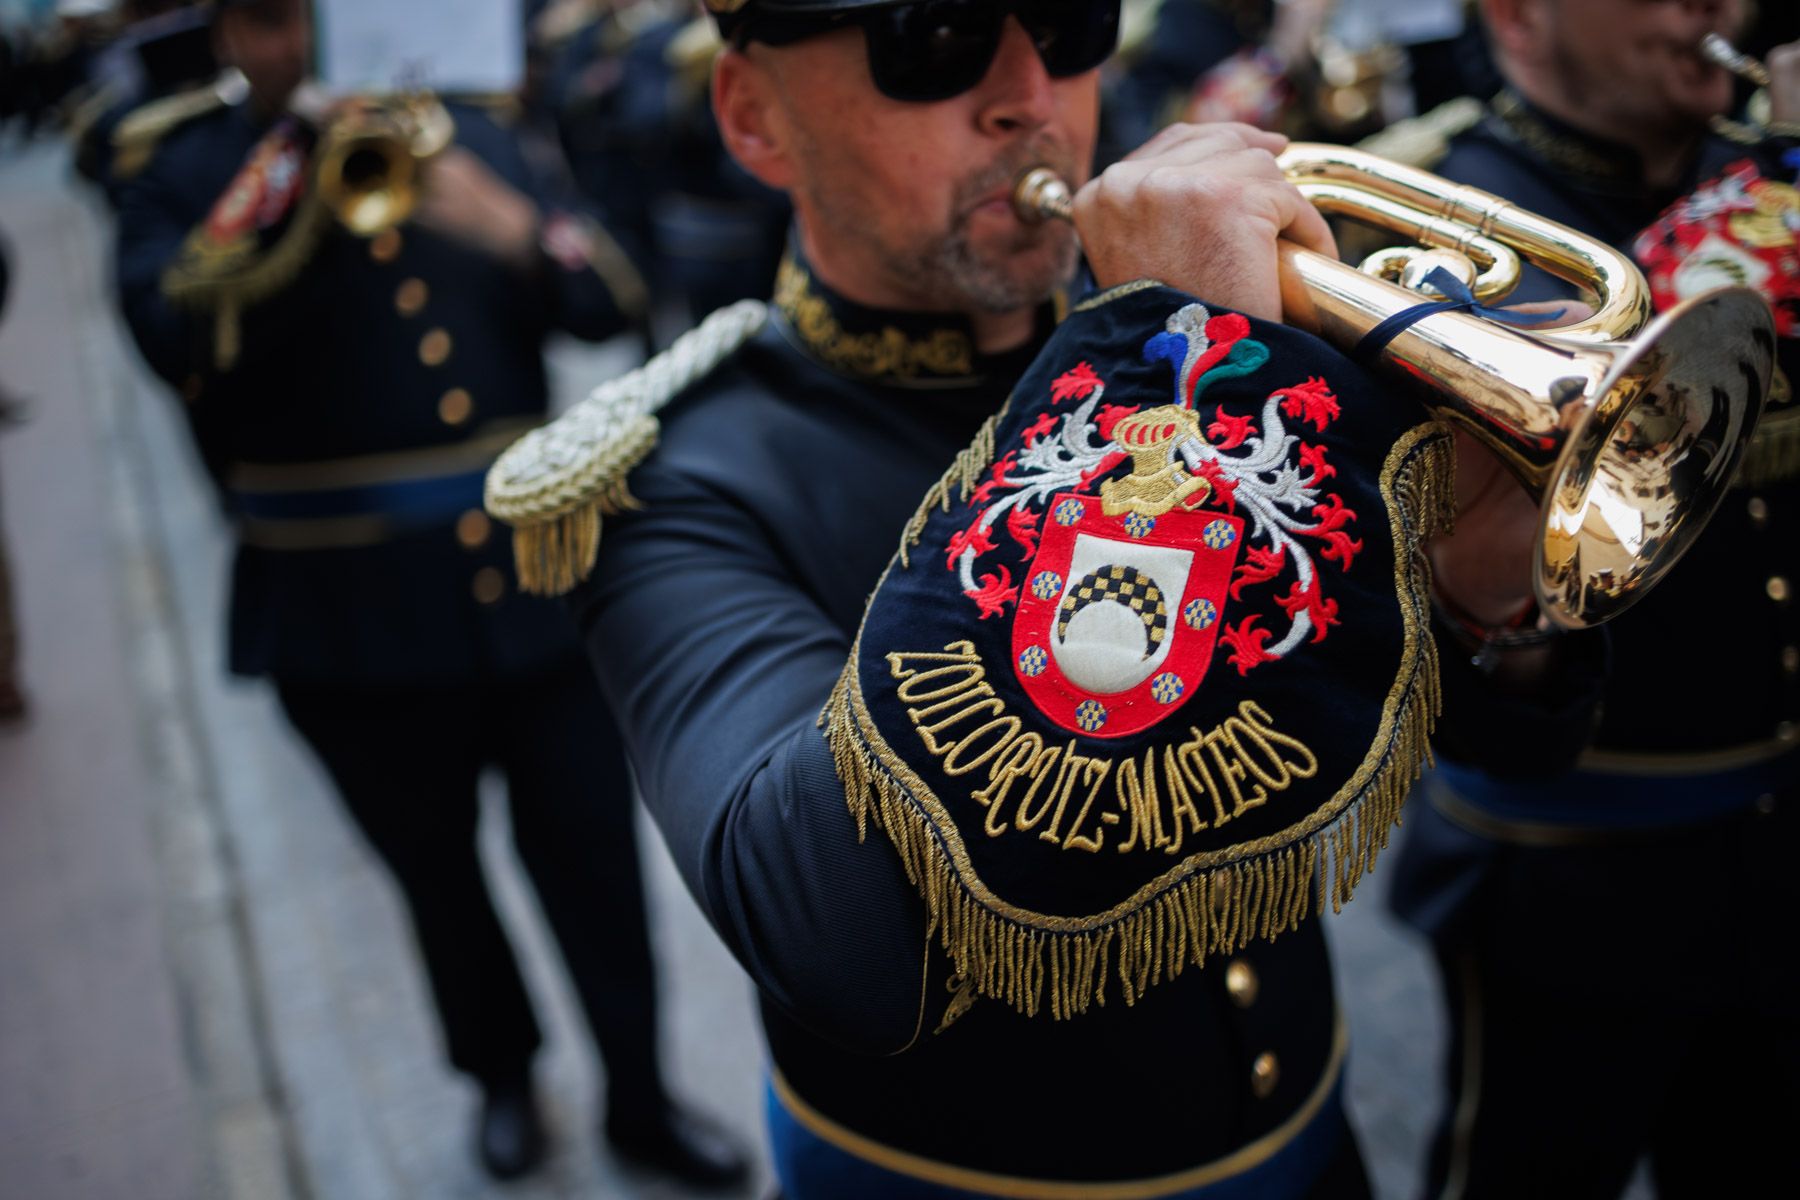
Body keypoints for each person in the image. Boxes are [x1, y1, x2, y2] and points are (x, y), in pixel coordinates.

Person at [483, 0, 1602, 1194]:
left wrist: (1483, 572)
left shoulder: (1173, 353)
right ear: (755, 116)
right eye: (932, 37)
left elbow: (1507, 750)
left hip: (1310, 1140)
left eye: (1071, 27)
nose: (1032, 95)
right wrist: (1147, 399)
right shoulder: (672, 476)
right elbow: (837, 941)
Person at [110, 0, 746, 1185]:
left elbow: (603, 294)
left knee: (598, 868)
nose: (294, 48)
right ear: (227, 37)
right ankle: (500, 1077)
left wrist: (507, 225)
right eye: (264, 22)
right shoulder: (185, 167)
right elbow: (168, 335)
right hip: (340, 607)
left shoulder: (470, 135)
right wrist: (294, 175)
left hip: (535, 589)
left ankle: (643, 1096)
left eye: (316, 20)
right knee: (438, 879)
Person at [1377, 1, 1800, 1195]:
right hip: (1572, 872)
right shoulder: (1450, 208)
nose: (1713, 8)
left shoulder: (1761, 159)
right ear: (1519, 16)